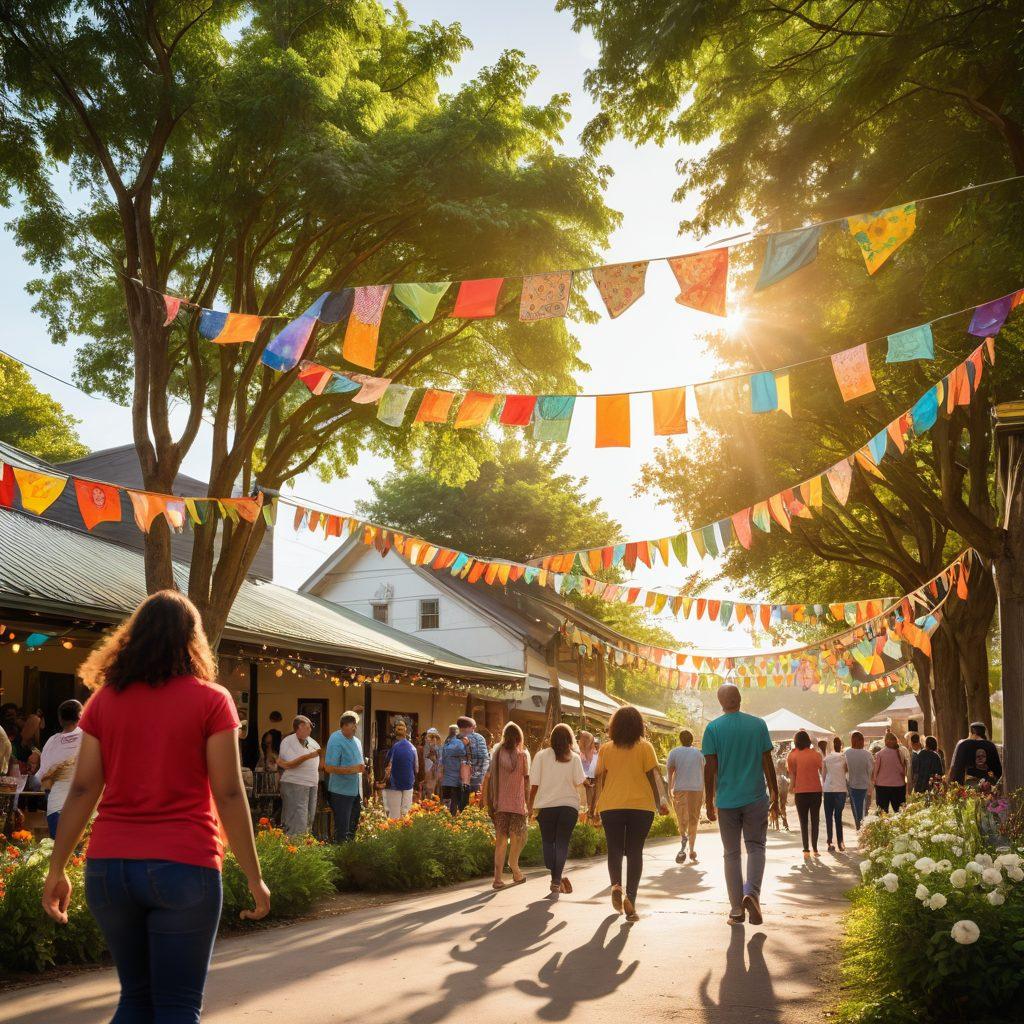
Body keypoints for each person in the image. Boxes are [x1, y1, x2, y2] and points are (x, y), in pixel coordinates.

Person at [41, 590, 270, 1022]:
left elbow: (84, 788)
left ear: (135, 637)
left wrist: (58, 869)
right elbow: (227, 792)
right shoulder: (211, 699)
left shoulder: (105, 700)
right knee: (177, 1006)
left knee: (136, 1000)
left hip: (110, 869)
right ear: (193, 639)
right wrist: (255, 876)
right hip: (184, 866)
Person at [702, 685, 778, 925]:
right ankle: (751, 893)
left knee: (731, 854)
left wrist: (708, 800)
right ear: (740, 699)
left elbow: (710, 766)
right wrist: (774, 790)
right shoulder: (758, 725)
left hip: (726, 801)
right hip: (755, 797)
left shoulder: (713, 728)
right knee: (756, 847)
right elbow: (767, 760)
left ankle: (736, 909)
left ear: (720, 701)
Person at [597, 705, 670, 922]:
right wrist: (662, 802)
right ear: (639, 725)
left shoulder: (606, 749)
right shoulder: (645, 747)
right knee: (635, 851)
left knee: (615, 849)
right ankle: (631, 899)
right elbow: (655, 777)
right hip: (641, 806)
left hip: (611, 805)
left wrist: (592, 808)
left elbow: (599, 779)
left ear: (614, 726)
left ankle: (616, 886)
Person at [529, 723, 585, 895]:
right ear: (569, 739)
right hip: (568, 808)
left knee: (550, 844)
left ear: (552, 739)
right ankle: (557, 877)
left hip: (547, 808)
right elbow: (579, 783)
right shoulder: (574, 758)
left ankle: (555, 879)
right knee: (561, 844)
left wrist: (530, 806)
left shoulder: (540, 756)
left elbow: (534, 785)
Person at [482, 722, 530, 888]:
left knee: (501, 841)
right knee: (520, 837)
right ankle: (515, 869)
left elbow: (487, 778)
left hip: (500, 804)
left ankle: (497, 879)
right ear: (518, 739)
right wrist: (528, 803)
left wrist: (487, 801)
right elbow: (526, 781)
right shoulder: (523, 756)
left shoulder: (496, 755)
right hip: (517, 804)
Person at [37, 699, 84, 839]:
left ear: (60, 718)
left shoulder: (52, 742)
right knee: (82, 858)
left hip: (57, 806)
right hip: (87, 809)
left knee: (60, 856)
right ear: (81, 715)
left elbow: (42, 777)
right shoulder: (91, 739)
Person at [276, 715, 322, 836]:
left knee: (309, 819)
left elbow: (319, 763)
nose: (311, 729)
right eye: (308, 727)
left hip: (312, 784)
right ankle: (293, 850)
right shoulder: (288, 741)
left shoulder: (313, 743)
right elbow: (290, 764)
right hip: (294, 783)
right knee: (297, 821)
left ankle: (304, 848)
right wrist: (308, 756)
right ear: (300, 727)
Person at [324, 711, 364, 842]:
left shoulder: (357, 741)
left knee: (353, 827)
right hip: (340, 791)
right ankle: (340, 856)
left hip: (355, 790)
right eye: (352, 727)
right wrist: (352, 769)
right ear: (344, 726)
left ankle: (349, 854)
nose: (355, 729)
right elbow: (329, 768)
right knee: (342, 828)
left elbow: (359, 764)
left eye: (355, 727)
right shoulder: (335, 739)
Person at [666, 729, 704, 864]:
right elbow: (703, 772)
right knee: (693, 819)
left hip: (680, 789)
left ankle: (683, 838)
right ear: (692, 740)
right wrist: (704, 792)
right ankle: (692, 849)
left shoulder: (674, 752)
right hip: (696, 789)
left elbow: (670, 773)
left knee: (682, 818)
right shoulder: (699, 754)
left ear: (680, 739)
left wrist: (670, 789)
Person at [787, 730, 823, 858]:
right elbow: (822, 772)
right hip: (816, 791)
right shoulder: (816, 755)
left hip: (800, 792)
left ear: (796, 741)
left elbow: (792, 776)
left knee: (803, 821)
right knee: (815, 820)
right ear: (808, 740)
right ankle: (815, 849)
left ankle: (806, 850)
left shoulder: (792, 756)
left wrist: (791, 789)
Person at [948, 721, 1002, 785]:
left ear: (971, 732)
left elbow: (957, 767)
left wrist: (955, 784)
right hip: (987, 784)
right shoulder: (991, 746)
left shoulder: (963, 745)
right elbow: (997, 769)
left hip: (967, 785)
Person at [383, 720, 418, 818]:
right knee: (404, 813)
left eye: (401, 728)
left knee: (395, 814)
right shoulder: (412, 747)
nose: (400, 730)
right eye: (399, 728)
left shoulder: (393, 746)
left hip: (395, 784)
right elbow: (416, 767)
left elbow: (386, 763)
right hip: (406, 783)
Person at [872, 731, 910, 812]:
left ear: (885, 742)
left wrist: (874, 783)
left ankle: (882, 824)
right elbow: (903, 770)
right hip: (898, 786)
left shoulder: (879, 754)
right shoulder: (901, 753)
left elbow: (876, 771)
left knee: (882, 811)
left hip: (882, 786)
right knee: (900, 811)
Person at [822, 736, 848, 852]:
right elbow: (846, 771)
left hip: (828, 790)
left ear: (832, 745)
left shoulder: (826, 759)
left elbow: (823, 776)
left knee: (828, 817)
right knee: (838, 816)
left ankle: (830, 842)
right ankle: (840, 842)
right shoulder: (844, 757)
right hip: (840, 789)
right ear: (841, 746)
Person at [458, 716, 490, 810]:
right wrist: (480, 776)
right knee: (475, 806)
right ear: (471, 727)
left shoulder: (456, 739)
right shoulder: (480, 739)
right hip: (477, 779)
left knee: (461, 807)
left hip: (462, 780)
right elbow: (485, 759)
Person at [844, 731, 874, 829]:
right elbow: (871, 771)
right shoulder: (867, 754)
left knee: (855, 808)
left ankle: (859, 827)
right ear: (861, 741)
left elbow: (844, 769)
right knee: (864, 809)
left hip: (852, 784)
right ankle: (862, 828)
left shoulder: (846, 753)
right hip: (865, 784)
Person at [439, 726, 467, 814]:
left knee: (446, 801)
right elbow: (464, 756)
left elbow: (442, 761)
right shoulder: (459, 743)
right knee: (454, 803)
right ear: (457, 732)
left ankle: (444, 820)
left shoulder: (446, 744)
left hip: (446, 779)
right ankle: (452, 822)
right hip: (456, 779)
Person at [578, 730, 598, 821]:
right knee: (583, 809)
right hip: (583, 785)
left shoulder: (595, 754)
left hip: (592, 785)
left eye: (581, 739)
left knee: (590, 807)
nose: (579, 741)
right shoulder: (578, 754)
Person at [421, 727, 443, 800]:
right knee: (429, 787)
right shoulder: (429, 746)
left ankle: (430, 803)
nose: (426, 738)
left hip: (433, 769)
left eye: (428, 736)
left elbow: (437, 758)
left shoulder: (436, 746)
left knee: (431, 788)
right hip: (431, 769)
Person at [773, 749, 791, 832]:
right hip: (784, 789)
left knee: (776, 805)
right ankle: (785, 823)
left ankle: (778, 825)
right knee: (782, 806)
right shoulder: (786, 772)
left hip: (777, 787)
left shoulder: (777, 774)